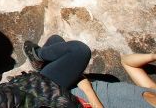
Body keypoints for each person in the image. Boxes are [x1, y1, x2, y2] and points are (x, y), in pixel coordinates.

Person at [26, 40, 156, 108]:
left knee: (78, 51)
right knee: (57, 41)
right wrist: (153, 56)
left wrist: (88, 89)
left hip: (69, 97)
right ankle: (39, 74)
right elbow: (127, 62)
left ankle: (33, 89)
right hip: (74, 83)